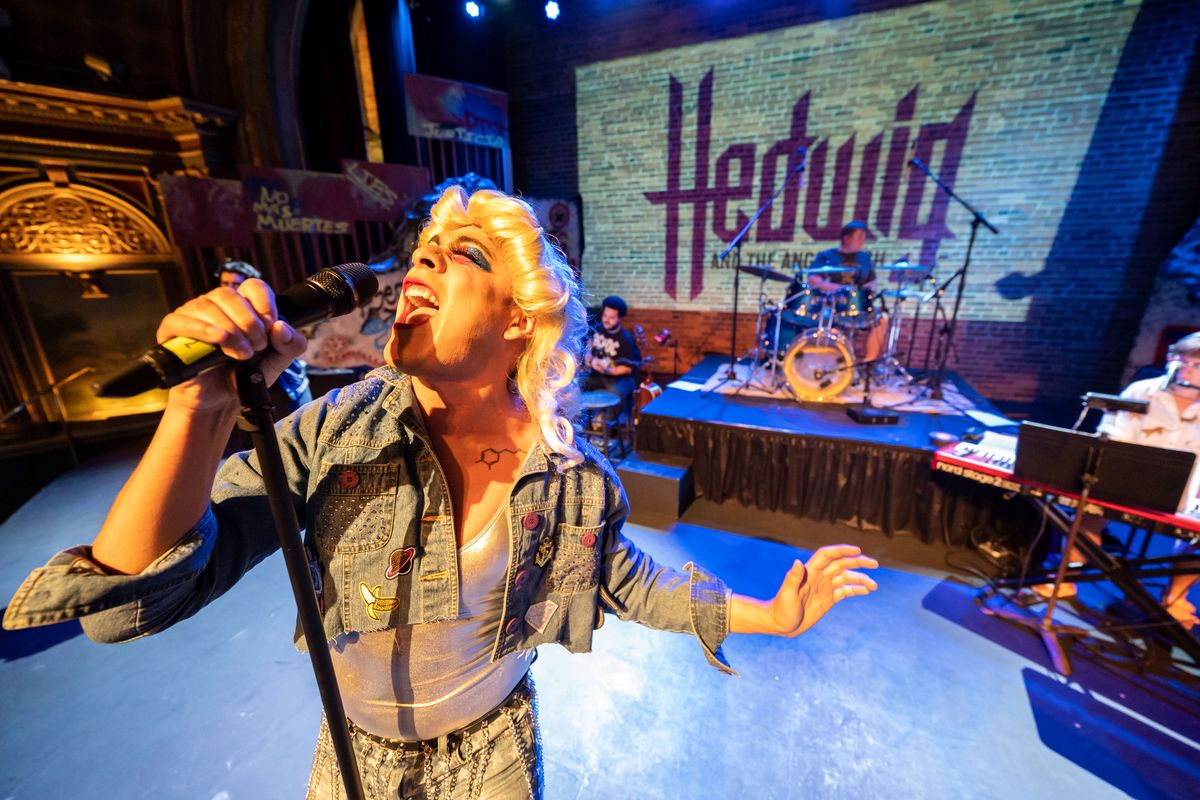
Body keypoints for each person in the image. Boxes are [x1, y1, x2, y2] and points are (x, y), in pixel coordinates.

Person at [3, 187, 879, 798]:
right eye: (420, 251)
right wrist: (201, 405)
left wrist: (774, 614)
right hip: (359, 758)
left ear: (516, 321)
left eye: (458, 256)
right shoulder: (333, 434)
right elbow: (121, 607)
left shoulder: (573, 477)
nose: (419, 267)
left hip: (495, 749)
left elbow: (626, 580)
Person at [1035, 332, 1200, 629]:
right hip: (1126, 482)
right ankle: (1067, 576)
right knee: (1087, 511)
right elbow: (1113, 437)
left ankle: (1175, 597)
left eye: (1196, 365)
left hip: (1185, 495)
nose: (1184, 370)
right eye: (1180, 361)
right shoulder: (1142, 391)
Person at [217, 258, 312, 411]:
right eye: (225, 283)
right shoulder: (222, 315)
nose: (229, 289)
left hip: (289, 383)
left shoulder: (267, 306)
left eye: (235, 284)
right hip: (255, 389)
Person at [792, 221, 888, 363]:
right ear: (847, 238)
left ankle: (868, 363)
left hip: (856, 305)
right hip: (830, 305)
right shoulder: (826, 256)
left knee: (882, 319)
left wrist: (867, 292)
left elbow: (871, 283)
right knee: (824, 323)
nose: (863, 241)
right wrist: (840, 289)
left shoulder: (865, 259)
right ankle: (823, 361)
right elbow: (813, 280)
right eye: (859, 237)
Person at [582, 295, 641, 405]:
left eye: (612, 318)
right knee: (577, 384)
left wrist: (605, 369)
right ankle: (585, 419)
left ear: (620, 318)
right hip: (598, 375)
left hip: (620, 378)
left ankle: (609, 420)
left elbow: (627, 369)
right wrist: (588, 356)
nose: (606, 320)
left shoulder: (625, 339)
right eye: (605, 315)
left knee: (613, 394)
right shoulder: (597, 328)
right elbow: (589, 344)